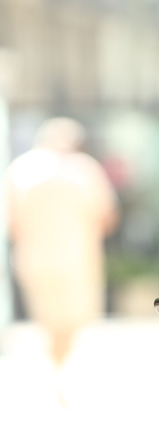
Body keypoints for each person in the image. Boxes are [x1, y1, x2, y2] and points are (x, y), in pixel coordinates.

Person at [3, 117, 119, 368]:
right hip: (77, 258)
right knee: (74, 320)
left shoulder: (20, 168)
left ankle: (56, 369)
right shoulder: (84, 169)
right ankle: (60, 369)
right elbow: (106, 216)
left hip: (35, 259)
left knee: (47, 322)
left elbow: (12, 222)